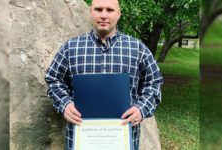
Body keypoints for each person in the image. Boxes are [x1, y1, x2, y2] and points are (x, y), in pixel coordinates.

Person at [45, 0, 163, 149]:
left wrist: (141, 108)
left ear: (119, 14)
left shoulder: (137, 48)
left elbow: (154, 82)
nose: (104, 15)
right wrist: (65, 104)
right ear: (90, 12)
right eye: (99, 9)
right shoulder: (71, 48)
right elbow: (53, 79)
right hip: (82, 139)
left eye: (110, 10)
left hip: (123, 140)